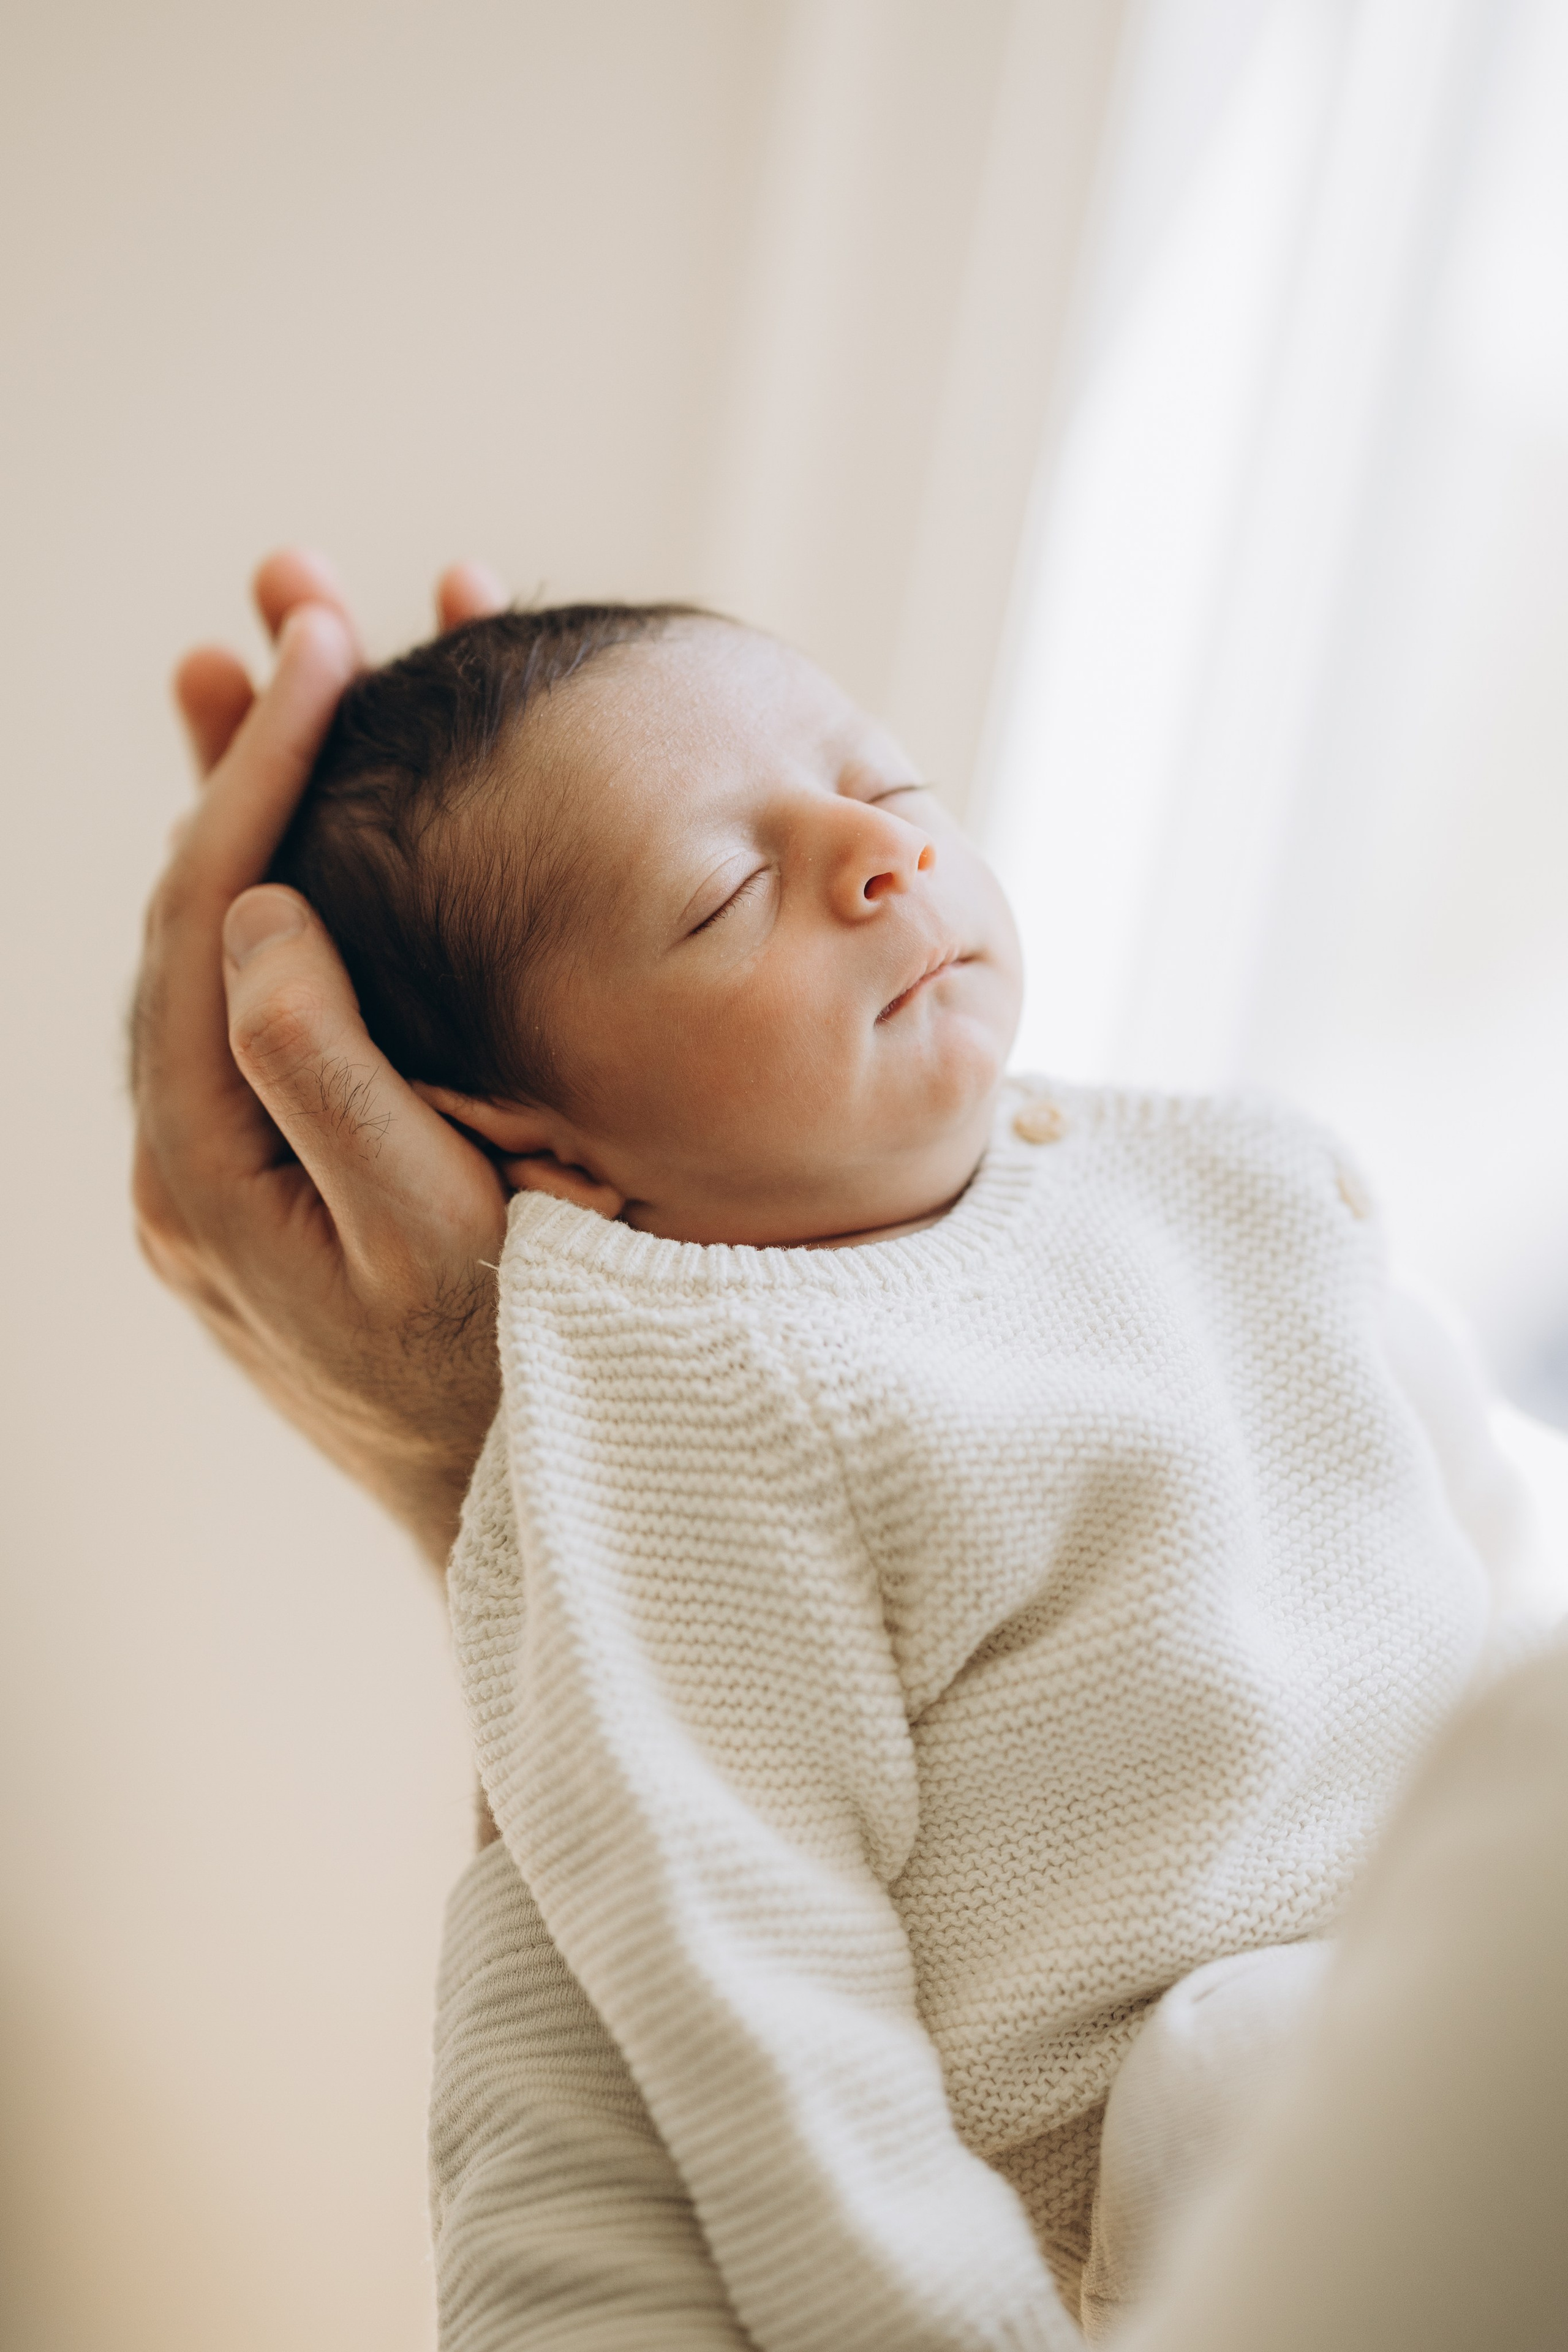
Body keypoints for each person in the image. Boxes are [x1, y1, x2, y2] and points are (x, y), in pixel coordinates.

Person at [132, 554, 1568, 2351]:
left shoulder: (1250, 1183)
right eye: (731, 893)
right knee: (1230, 2064)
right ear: (546, 1148)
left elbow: (1504, 1583)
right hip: (1182, 2190)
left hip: (1466, 1986)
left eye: (885, 789)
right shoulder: (703, 1414)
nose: (875, 855)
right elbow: (752, 1999)